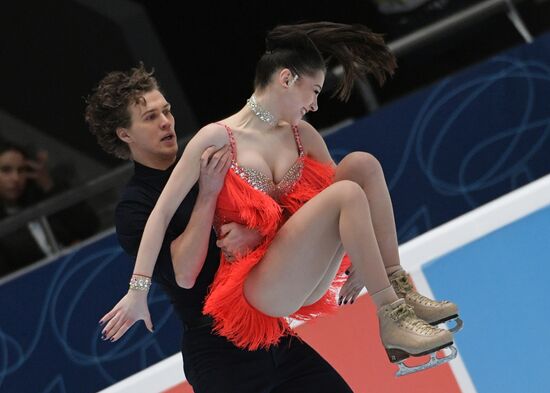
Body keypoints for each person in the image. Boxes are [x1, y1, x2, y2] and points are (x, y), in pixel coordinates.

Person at [99, 21, 462, 377]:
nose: (316, 105)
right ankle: (391, 318)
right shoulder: (215, 139)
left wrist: (363, 265)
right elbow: (161, 216)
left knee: (361, 166)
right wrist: (137, 290)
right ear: (286, 79)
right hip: (256, 291)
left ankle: (399, 291)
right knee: (346, 192)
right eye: (314, 91)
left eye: (167, 110)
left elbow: (337, 214)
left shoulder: (302, 134)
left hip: (297, 270)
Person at [85, 63, 356, 391]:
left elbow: (281, 222)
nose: (165, 122)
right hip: (219, 355)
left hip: (270, 332)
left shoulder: (207, 156)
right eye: (150, 118)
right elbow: (185, 273)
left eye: (166, 111)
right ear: (124, 134)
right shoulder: (135, 207)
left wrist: (257, 233)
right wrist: (207, 196)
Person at [0, 138, 100, 276]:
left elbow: (89, 225)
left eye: (21, 170)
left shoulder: (42, 196)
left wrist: (49, 186)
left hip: (80, 270)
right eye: (6, 170)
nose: (16, 178)